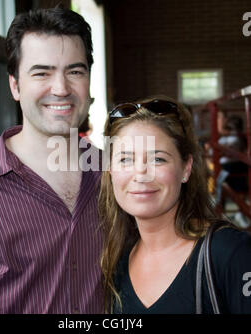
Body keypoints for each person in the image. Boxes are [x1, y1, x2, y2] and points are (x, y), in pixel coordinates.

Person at [0, 7, 103, 314]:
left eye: (75, 71)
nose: (61, 89)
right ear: (15, 85)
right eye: (42, 73)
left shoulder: (116, 173)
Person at [99, 96, 251, 314]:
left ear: (186, 168)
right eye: (125, 160)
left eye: (157, 159)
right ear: (110, 170)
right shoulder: (114, 259)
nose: (140, 174)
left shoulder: (230, 253)